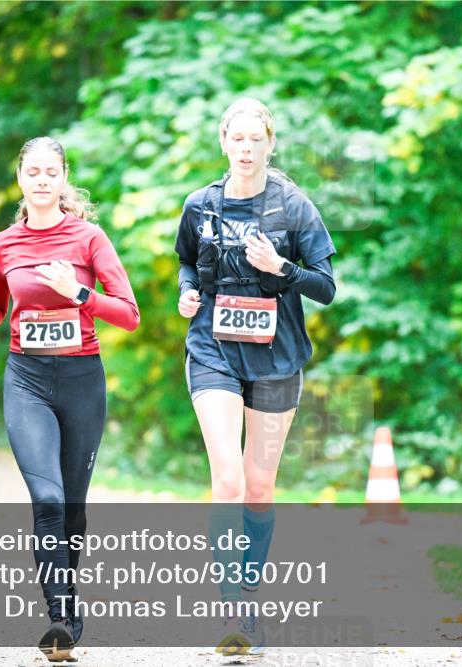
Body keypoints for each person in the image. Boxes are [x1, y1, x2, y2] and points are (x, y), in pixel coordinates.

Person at [174, 98, 336, 657]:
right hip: (213, 350)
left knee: (260, 487)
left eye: (255, 139)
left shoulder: (293, 207)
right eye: (236, 139)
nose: (245, 149)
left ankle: (249, 587)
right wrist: (186, 292)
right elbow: (187, 262)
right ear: (223, 142)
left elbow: (326, 286)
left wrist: (280, 269)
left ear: (271, 144)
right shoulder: (200, 205)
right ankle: (236, 612)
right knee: (228, 478)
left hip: (277, 356)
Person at [0, 137, 140, 662]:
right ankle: (61, 617)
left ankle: (68, 597)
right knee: (46, 499)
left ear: (64, 179)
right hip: (27, 381)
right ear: (21, 178)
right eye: (33, 172)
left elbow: (129, 314)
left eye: (51, 172)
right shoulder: (4, 244)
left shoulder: (89, 238)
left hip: (81, 381)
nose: (42, 180)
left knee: (71, 509)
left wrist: (79, 293)